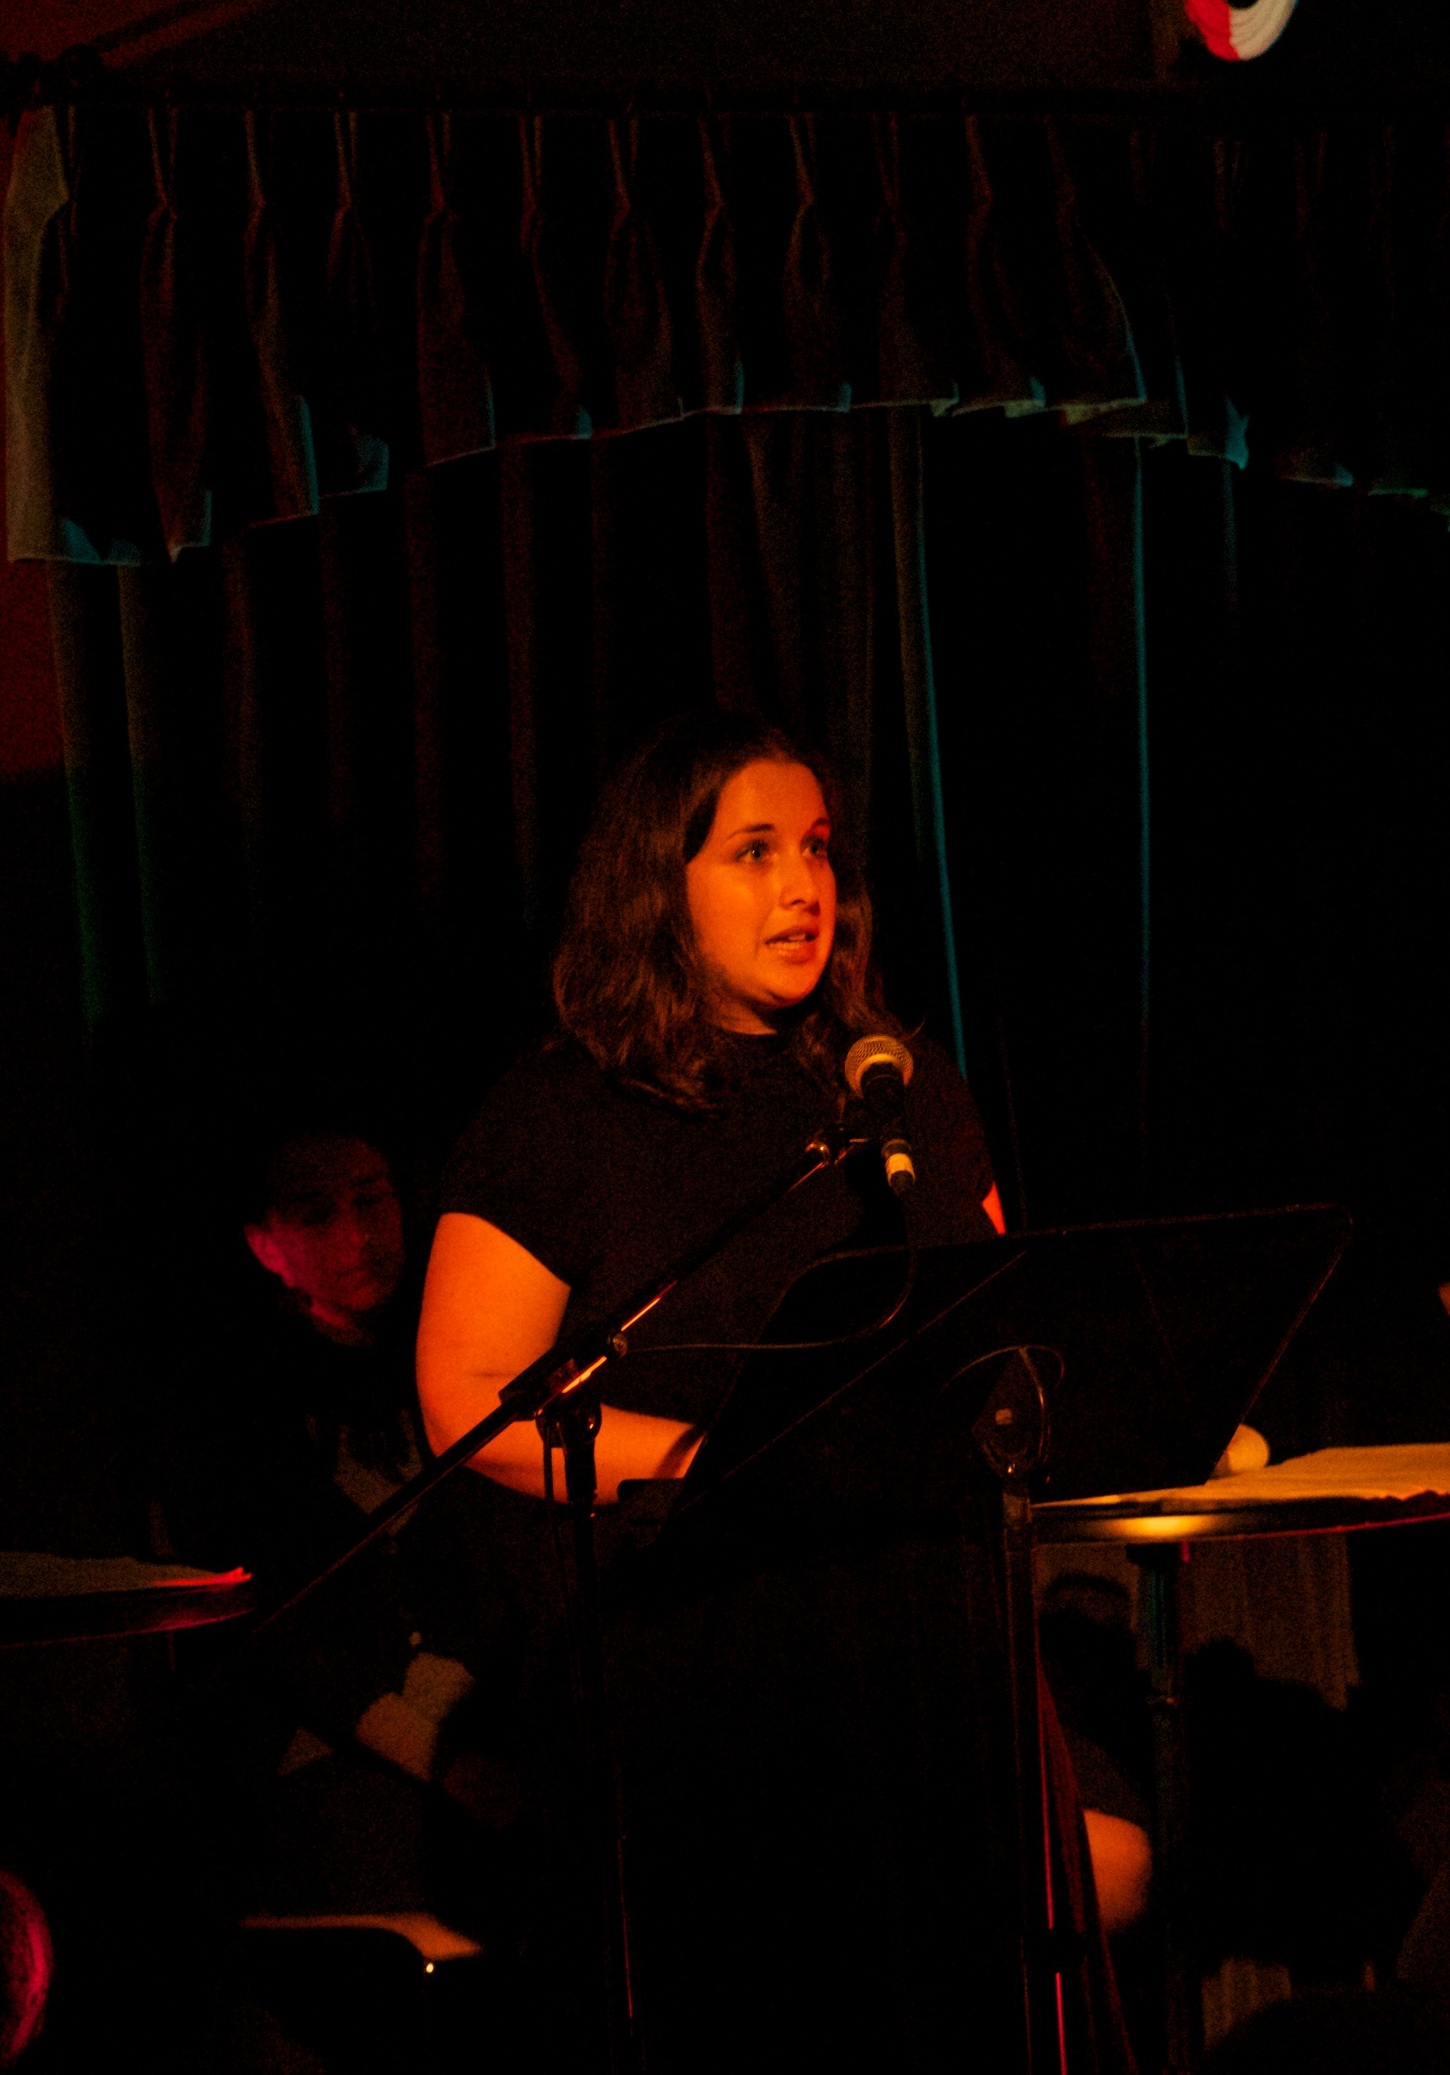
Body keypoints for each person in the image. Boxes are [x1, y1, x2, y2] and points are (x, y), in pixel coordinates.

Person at [416, 709, 1133, 2074]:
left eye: (815, 848)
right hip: (707, 1659)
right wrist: (730, 1463)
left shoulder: (895, 1086)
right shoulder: (569, 1111)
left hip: (930, 1641)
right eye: (753, 852)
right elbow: (468, 1394)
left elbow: (997, 1328)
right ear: (657, 882)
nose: (804, 885)